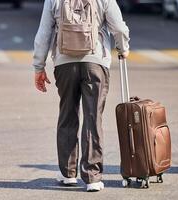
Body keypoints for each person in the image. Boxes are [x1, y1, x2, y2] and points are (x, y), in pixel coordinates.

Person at [32, 0, 130, 192]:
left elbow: (43, 34)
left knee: (67, 114)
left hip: (63, 63)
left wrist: (39, 66)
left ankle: (68, 173)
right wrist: (123, 48)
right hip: (95, 62)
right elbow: (118, 27)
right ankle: (92, 177)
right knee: (93, 117)